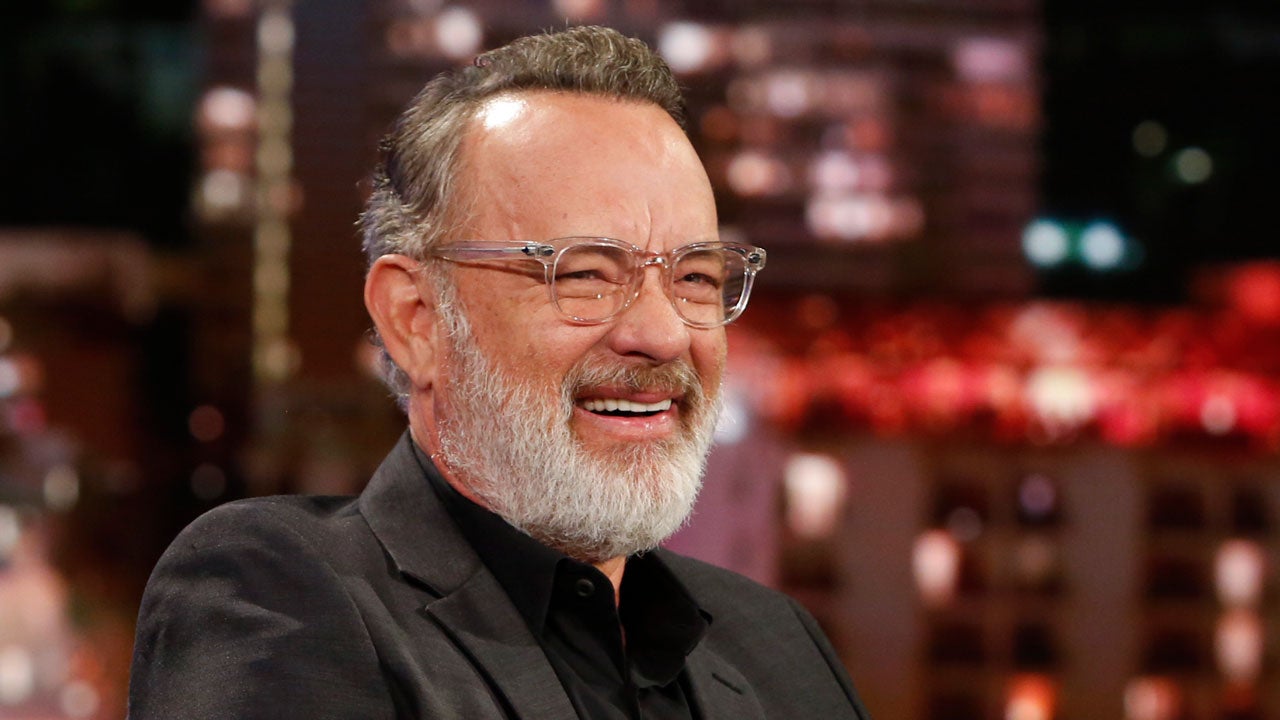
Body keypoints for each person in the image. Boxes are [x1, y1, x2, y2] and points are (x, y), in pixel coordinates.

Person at [128, 25, 872, 720]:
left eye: (697, 278)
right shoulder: (279, 591)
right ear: (416, 319)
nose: (663, 334)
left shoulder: (778, 646)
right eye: (584, 273)